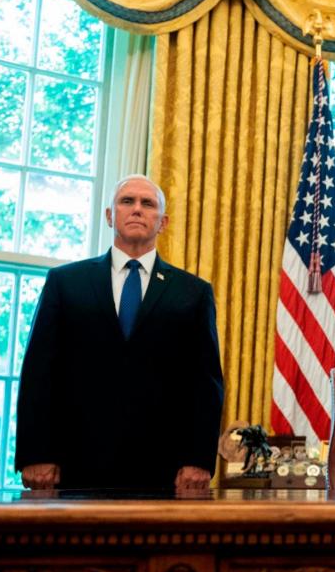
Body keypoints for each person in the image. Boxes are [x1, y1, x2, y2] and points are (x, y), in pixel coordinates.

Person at [15, 175, 224, 491]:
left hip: (164, 468)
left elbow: (205, 382)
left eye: (148, 204)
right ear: (110, 215)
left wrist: (199, 458)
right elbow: (39, 372)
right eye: (127, 201)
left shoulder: (193, 293)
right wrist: (36, 452)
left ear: (162, 222)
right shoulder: (66, 282)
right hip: (75, 462)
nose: (137, 209)